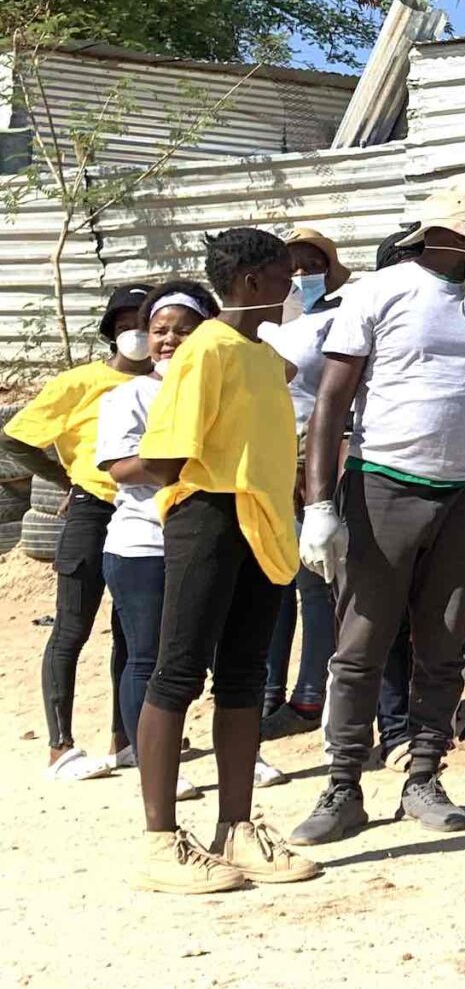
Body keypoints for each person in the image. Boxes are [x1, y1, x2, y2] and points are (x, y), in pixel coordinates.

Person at [291, 187, 465, 846]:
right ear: (448, 234)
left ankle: (424, 775)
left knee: (444, 643)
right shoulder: (380, 294)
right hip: (383, 486)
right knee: (362, 644)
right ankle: (342, 784)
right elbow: (331, 401)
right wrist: (320, 503)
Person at [126, 229, 314, 893]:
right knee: (177, 672)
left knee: (242, 676)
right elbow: (167, 456)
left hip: (261, 524)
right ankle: (158, 842)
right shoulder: (206, 349)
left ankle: (235, 828)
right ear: (254, 281)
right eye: (286, 273)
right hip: (208, 516)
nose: (294, 284)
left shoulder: (261, 354)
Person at [97, 284, 279, 803]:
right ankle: (155, 763)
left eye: (183, 329)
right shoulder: (130, 396)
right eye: (159, 330)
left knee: (235, 660)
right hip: (147, 545)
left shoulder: (229, 379)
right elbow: (119, 467)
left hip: (222, 538)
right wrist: (181, 459)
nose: (170, 339)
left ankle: (242, 763)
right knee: (156, 660)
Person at [5, 282, 155, 781]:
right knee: (73, 626)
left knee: (133, 634)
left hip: (145, 514)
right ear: (111, 331)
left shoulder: (166, 384)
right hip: (93, 510)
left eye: (145, 321)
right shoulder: (78, 383)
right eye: (125, 322)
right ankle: (60, 747)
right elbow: (17, 438)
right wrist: (64, 477)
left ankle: (125, 738)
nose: (136, 331)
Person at [257, 228, 353, 733]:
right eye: (290, 264)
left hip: (317, 455)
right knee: (274, 581)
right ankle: (267, 689)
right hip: (265, 458)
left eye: (310, 263)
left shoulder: (340, 318)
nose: (299, 273)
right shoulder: (263, 323)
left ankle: (311, 694)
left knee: (316, 581)